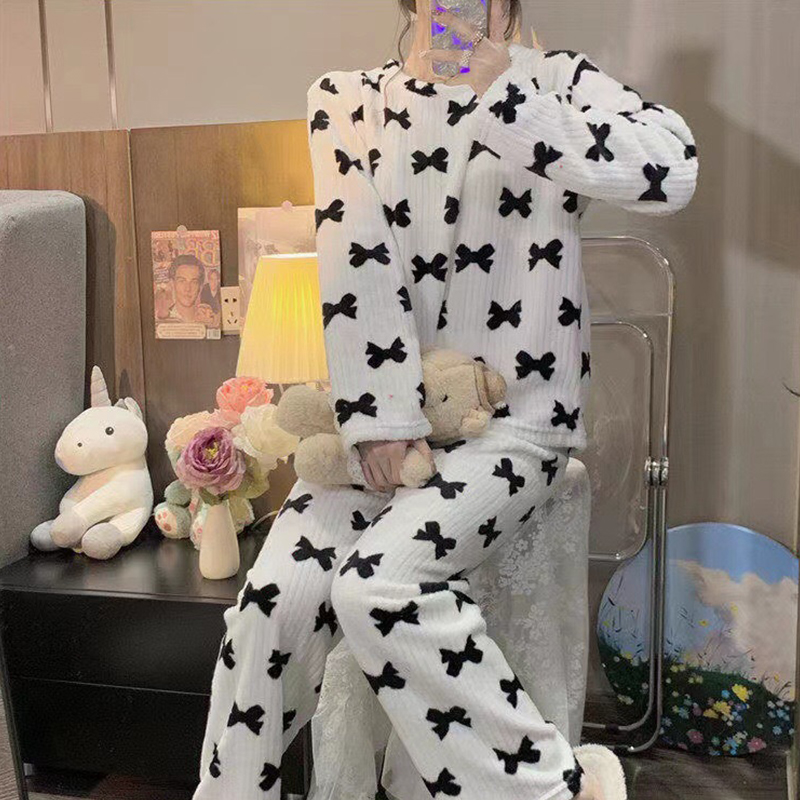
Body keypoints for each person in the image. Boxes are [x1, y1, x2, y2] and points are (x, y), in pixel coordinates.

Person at [192, 2, 698, 799]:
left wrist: (508, 94)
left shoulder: (555, 82)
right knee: (270, 607)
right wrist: (381, 421)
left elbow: (674, 169)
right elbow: (356, 259)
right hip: (384, 427)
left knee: (377, 586)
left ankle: (554, 789)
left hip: (518, 430)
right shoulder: (348, 100)